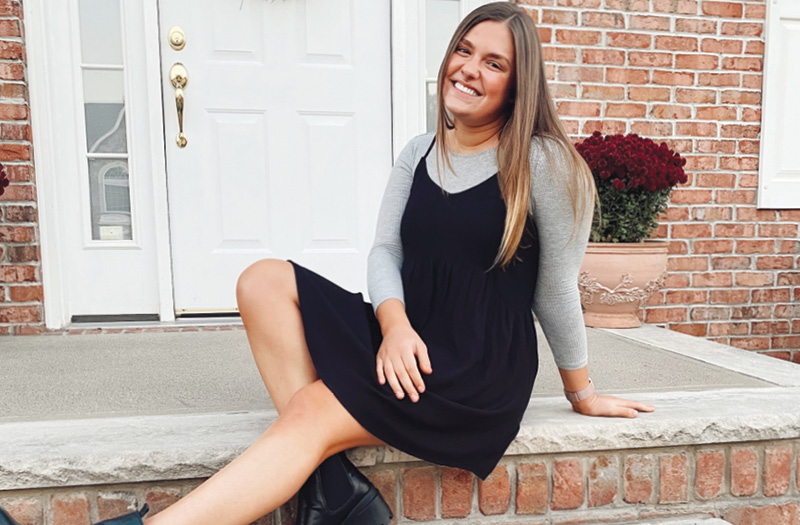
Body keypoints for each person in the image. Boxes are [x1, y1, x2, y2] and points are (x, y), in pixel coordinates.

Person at [0, 3, 655, 525]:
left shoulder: (544, 163)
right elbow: (385, 253)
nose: (469, 70)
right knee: (261, 279)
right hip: (406, 337)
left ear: (519, 84)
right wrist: (393, 324)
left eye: (494, 63)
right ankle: (336, 494)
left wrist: (582, 391)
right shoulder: (418, 149)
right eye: (463, 50)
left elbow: (556, 290)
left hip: (475, 367)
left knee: (314, 409)